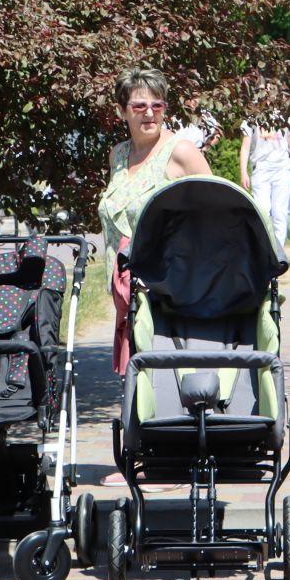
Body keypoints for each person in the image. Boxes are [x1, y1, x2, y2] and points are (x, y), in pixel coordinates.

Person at [98, 70, 210, 372]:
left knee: (169, 375)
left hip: (169, 289)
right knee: (139, 380)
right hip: (126, 287)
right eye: (139, 106)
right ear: (122, 111)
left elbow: (217, 211)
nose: (150, 113)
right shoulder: (118, 155)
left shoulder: (181, 151)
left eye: (157, 106)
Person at [239, 113, 290, 256]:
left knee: (280, 213)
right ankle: (262, 251)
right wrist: (243, 171)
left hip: (282, 169)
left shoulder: (285, 115)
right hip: (261, 168)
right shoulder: (251, 117)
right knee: (263, 211)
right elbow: (245, 147)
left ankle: (278, 254)